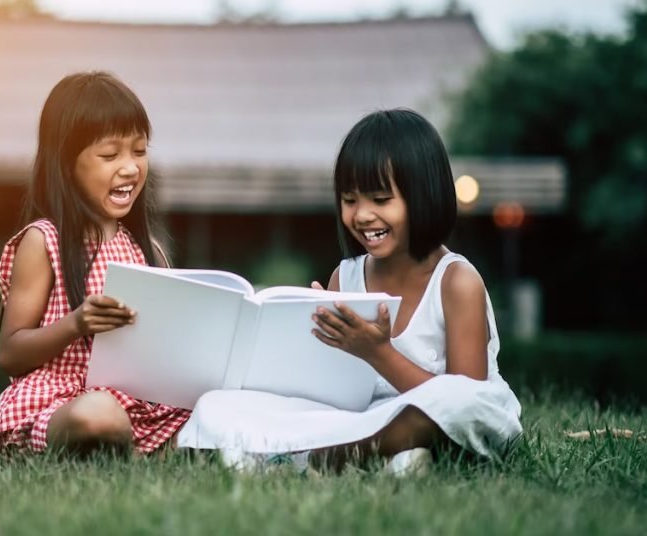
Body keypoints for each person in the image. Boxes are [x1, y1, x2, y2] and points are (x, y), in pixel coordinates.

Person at [176, 109, 522, 474]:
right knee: (218, 403)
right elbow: (329, 397)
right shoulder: (346, 277)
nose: (362, 215)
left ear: (423, 196)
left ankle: (325, 456)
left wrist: (379, 353)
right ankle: (391, 456)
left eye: (380, 199)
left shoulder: (456, 281)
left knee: (460, 403)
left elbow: (463, 397)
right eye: (350, 199)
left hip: (436, 418)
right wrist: (304, 331)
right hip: (362, 418)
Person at [0, 71, 190, 455]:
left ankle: (131, 446)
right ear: (67, 164)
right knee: (99, 414)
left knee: (219, 410)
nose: (130, 168)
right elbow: (10, 353)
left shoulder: (150, 251)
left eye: (140, 150)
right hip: (63, 399)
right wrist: (75, 323)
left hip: (136, 401)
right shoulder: (44, 241)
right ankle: (130, 448)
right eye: (110, 155)